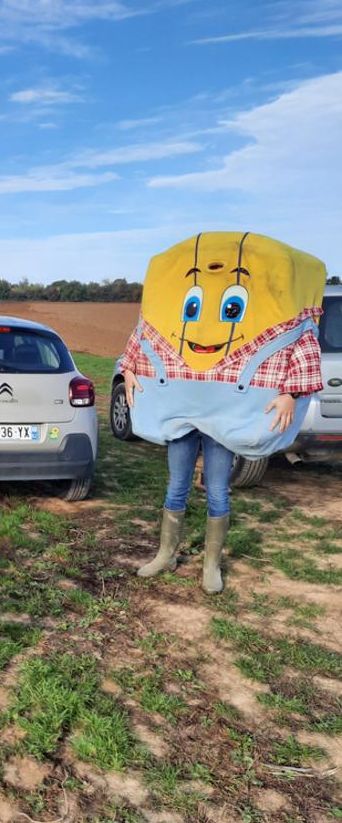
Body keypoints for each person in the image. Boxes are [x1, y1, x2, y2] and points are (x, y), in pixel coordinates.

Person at [121, 231, 324, 594]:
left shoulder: (286, 327)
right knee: (177, 485)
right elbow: (136, 344)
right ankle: (166, 553)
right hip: (180, 412)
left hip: (227, 413)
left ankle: (210, 565)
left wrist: (291, 393)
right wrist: (130, 369)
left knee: (217, 488)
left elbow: (303, 344)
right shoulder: (155, 324)